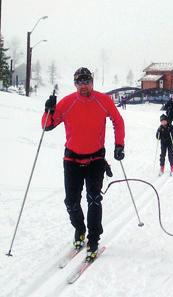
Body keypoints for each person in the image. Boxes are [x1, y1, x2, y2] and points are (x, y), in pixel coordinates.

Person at [41, 67, 125, 262]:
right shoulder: (67, 102)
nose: (83, 85)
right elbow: (47, 126)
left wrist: (119, 145)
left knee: (94, 199)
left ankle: (93, 238)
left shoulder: (103, 100)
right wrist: (48, 110)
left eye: (86, 81)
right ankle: (80, 229)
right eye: (79, 82)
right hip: (71, 159)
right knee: (71, 202)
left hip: (95, 159)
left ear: (92, 82)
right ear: (75, 84)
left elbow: (118, 121)